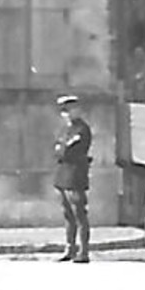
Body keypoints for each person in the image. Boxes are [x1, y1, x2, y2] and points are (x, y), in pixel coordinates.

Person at [51, 94, 92, 263]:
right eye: (64, 111)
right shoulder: (65, 130)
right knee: (68, 214)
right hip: (62, 174)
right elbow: (56, 150)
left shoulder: (82, 129)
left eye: (69, 110)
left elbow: (67, 151)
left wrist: (62, 149)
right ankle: (70, 248)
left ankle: (83, 251)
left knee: (79, 214)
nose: (67, 114)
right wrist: (61, 149)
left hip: (75, 174)